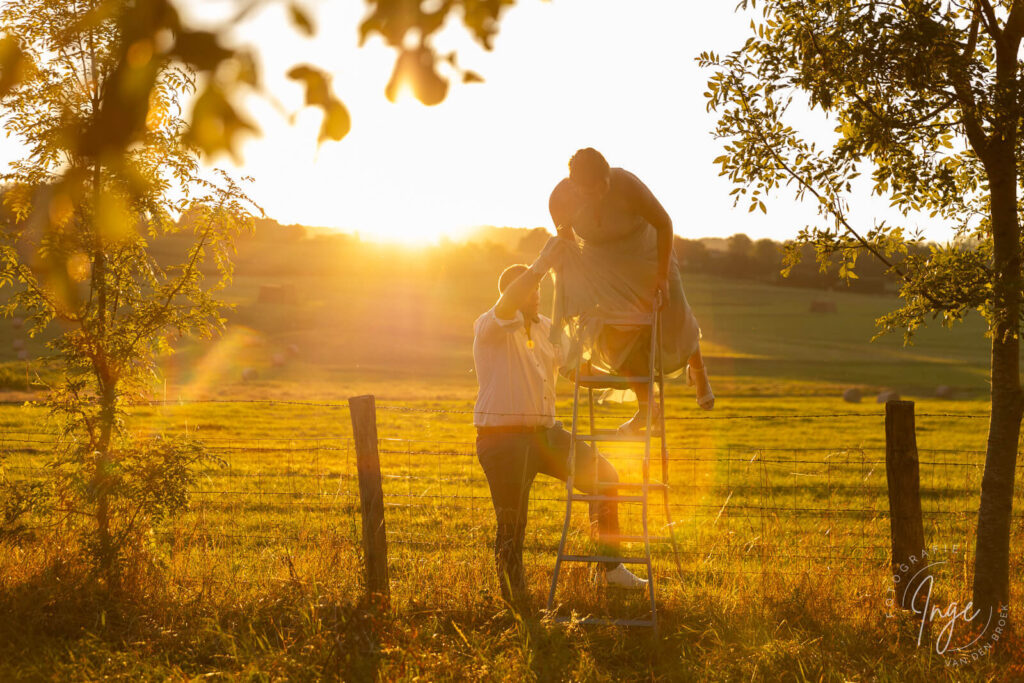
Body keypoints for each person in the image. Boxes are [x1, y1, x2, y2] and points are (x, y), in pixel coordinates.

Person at [473, 237, 648, 608]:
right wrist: (540, 263)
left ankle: (609, 568)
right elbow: (508, 302)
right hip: (502, 441)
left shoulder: (547, 328)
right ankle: (515, 597)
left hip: (546, 436)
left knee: (603, 477)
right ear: (512, 293)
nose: (538, 293)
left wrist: (634, 386)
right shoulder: (490, 325)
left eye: (539, 287)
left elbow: (577, 370)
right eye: (531, 288)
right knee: (512, 522)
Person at [549, 147, 714, 433]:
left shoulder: (627, 184)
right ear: (574, 186)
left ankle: (698, 371)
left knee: (673, 309)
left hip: (648, 252)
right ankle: (647, 408)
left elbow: (664, 223)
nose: (601, 193)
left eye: (605, 185)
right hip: (603, 262)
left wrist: (661, 276)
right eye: (591, 191)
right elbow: (569, 248)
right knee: (615, 331)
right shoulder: (559, 200)